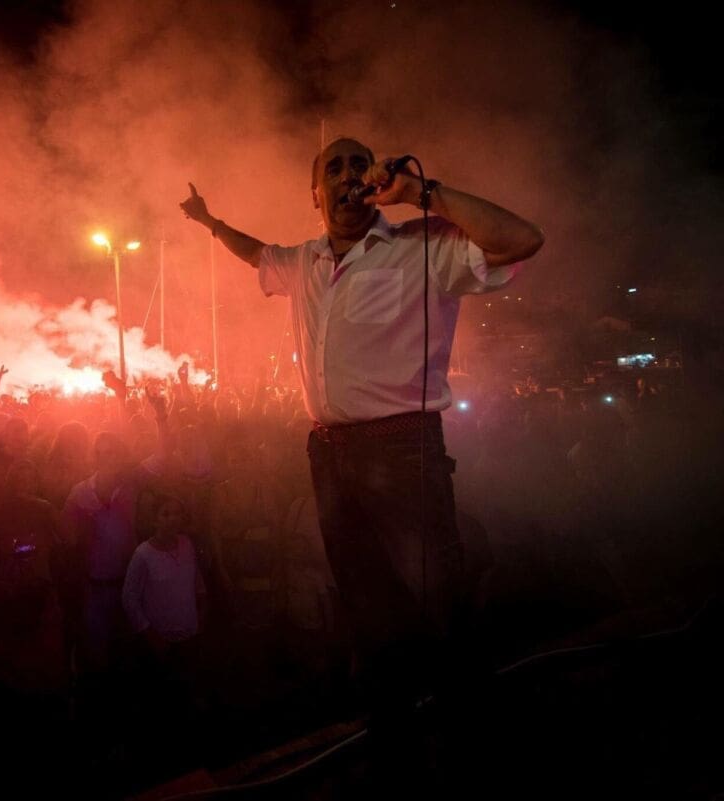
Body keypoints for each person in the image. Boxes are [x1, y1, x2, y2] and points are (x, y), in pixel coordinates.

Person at [180, 136, 544, 778]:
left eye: (359, 163)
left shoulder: (423, 244)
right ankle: (395, 749)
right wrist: (211, 224)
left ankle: (479, 755)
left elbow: (522, 239)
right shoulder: (304, 262)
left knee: (439, 607)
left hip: (402, 450)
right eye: (333, 167)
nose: (349, 175)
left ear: (377, 179)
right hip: (329, 454)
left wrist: (423, 193)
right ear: (314, 193)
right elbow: (254, 253)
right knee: (370, 612)